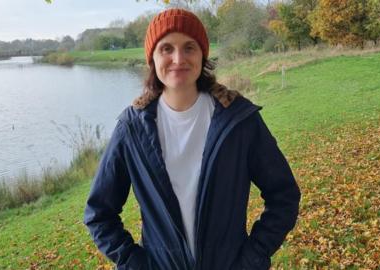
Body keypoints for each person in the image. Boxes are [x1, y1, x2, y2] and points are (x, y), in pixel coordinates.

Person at [84, 8, 300, 270]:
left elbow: (284, 195)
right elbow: (99, 214)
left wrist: (252, 259)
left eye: (189, 47)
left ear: (202, 55)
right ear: (152, 58)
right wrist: (137, 264)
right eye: (166, 48)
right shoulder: (132, 128)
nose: (178, 58)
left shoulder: (239, 120)